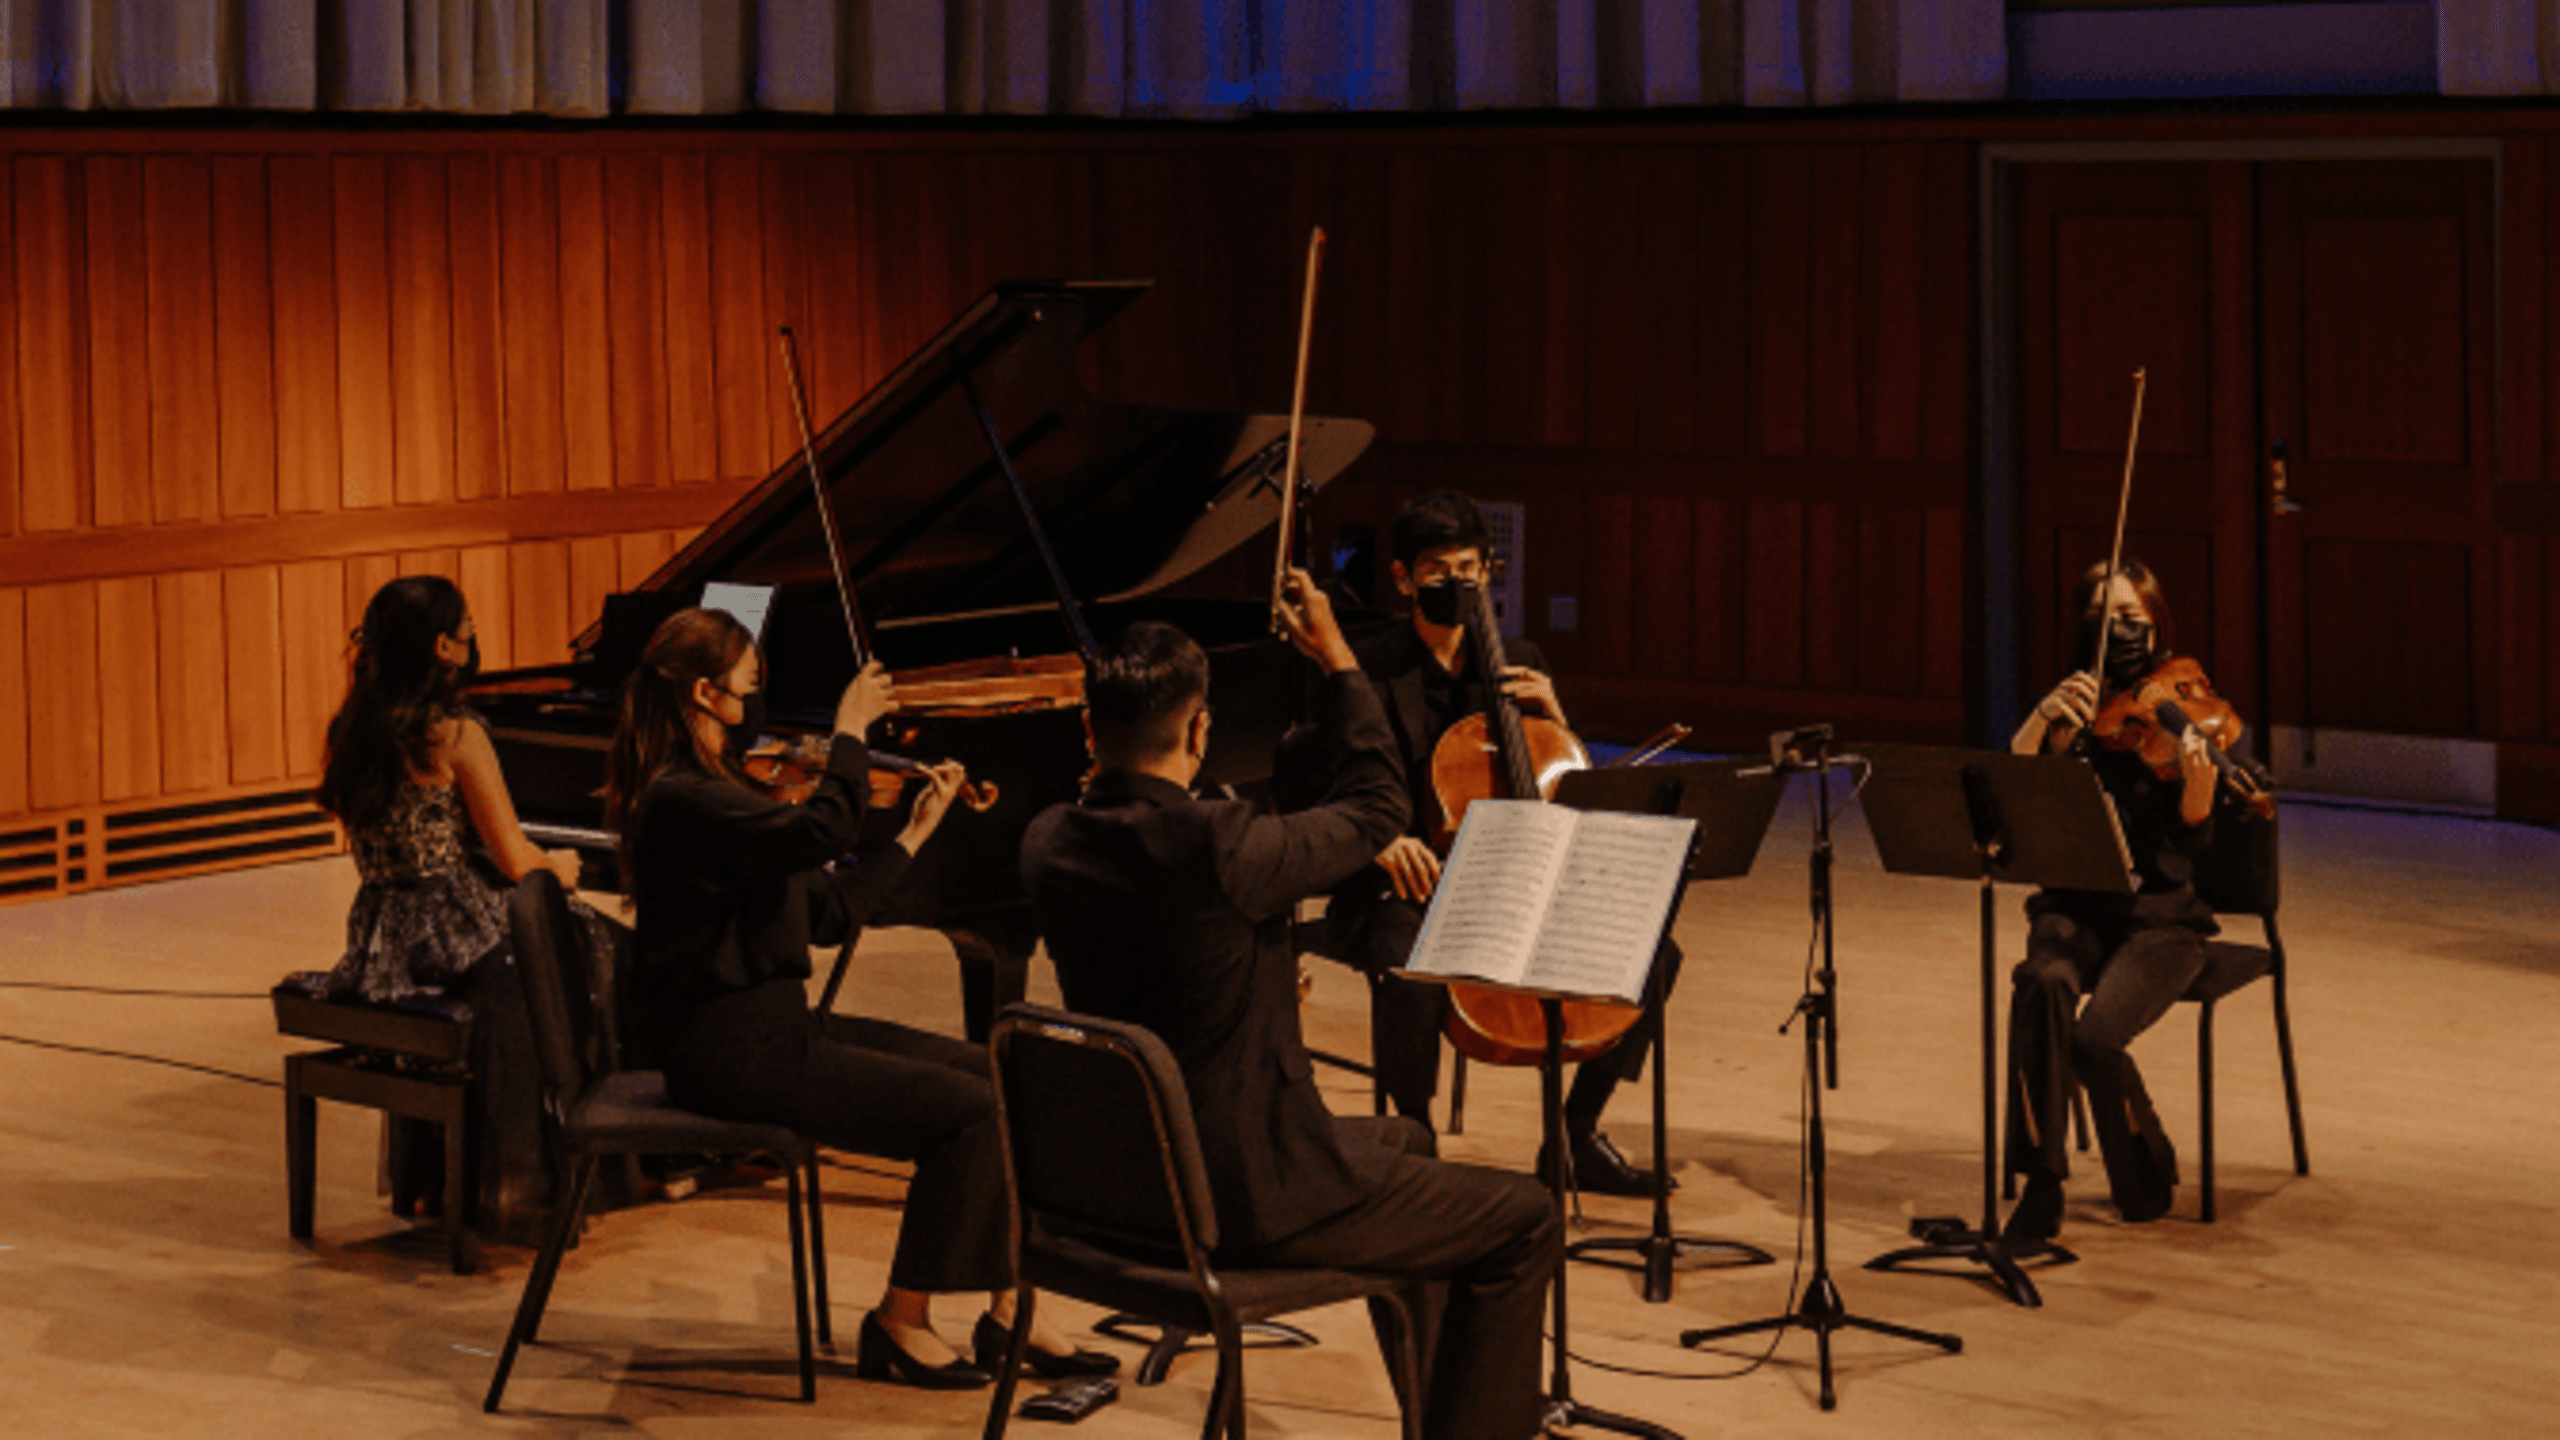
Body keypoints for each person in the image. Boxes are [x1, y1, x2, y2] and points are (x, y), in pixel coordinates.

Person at [1022, 572, 1562, 1440]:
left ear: (1090, 730)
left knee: (1408, 1140)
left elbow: (1171, 954)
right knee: (1525, 1215)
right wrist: (1340, 658)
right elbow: (1380, 807)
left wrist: (1259, 975)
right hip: (1241, 1195)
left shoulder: (1047, 839)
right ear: (1200, 732)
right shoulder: (1221, 843)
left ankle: (1439, 1417)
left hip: (1118, 1186)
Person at [604, 607, 1112, 1390]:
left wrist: (914, 832)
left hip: (777, 1031)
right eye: (748, 681)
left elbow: (831, 915)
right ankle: (899, 1322)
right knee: (969, 1115)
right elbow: (824, 834)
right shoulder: (684, 799)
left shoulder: (733, 789)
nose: (757, 694)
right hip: (729, 1054)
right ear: (705, 694)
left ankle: (1014, 1307)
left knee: (997, 1075)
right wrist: (848, 728)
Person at [1315, 489, 1674, 1193]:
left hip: (1512, 882)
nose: (1455, 584)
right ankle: (1412, 1146)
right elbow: (1320, 778)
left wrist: (1558, 715)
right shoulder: (1362, 665)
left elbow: (1561, 789)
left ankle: (1573, 1139)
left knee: (1651, 955)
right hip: (1404, 882)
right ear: (1401, 578)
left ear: (1489, 571)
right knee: (1408, 969)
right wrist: (1379, 836)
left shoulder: (1517, 659)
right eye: (1436, 571)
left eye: (1469, 569)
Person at [2002, 558, 2228, 1246]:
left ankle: (2145, 1156)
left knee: (2095, 1039)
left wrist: (2198, 791)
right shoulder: (2072, 708)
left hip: (2161, 920)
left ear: (2158, 621)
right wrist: (2040, 721)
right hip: (2075, 908)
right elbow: (2015, 797)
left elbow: (2189, 853)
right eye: (2105, 617)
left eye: (2133, 617)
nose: (2121, 629)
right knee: (2039, 983)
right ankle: (2041, 1185)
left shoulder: (2179, 704)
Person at [301, 575, 589, 1003]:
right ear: (443, 647)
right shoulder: (455, 736)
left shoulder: (347, 732)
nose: (471, 633)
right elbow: (514, 860)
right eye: (466, 624)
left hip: (381, 939)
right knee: (597, 946)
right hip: (458, 936)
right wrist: (558, 868)